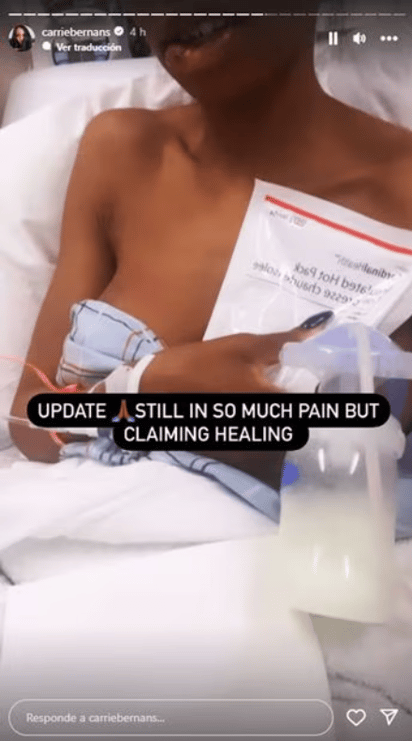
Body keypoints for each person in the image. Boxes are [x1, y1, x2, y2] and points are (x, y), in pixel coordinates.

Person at [9, 8, 412, 510]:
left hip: (298, 547)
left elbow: (380, 435)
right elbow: (30, 419)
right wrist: (144, 391)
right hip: (76, 537)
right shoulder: (123, 152)